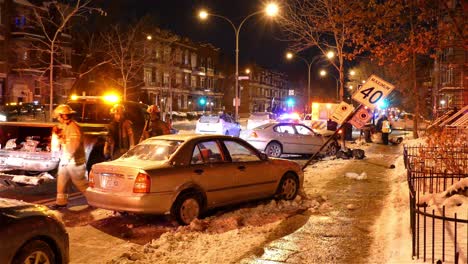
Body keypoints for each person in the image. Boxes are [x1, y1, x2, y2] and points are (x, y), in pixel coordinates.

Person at [50, 104, 88, 209]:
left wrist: (66, 158)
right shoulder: (64, 126)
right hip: (66, 159)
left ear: (64, 116)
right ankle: (61, 202)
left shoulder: (74, 128)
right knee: (62, 181)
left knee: (81, 183)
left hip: (74, 161)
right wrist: (57, 135)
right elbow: (62, 142)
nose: (57, 118)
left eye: (58, 116)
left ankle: (95, 200)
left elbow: (73, 146)